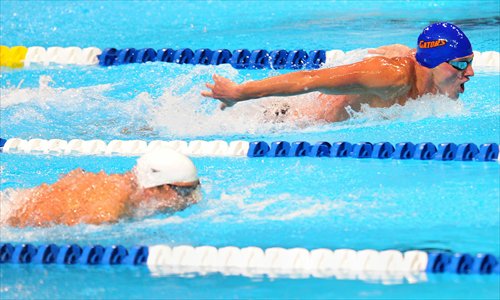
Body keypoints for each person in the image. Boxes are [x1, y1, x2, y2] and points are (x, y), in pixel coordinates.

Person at [201, 22, 474, 123]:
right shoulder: (390, 76)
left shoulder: (428, 79)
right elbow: (309, 79)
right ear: (434, 62)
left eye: (470, 62)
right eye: (461, 63)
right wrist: (238, 92)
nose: (470, 72)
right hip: (288, 121)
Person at [3, 148, 200, 227]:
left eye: (194, 189)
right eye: (184, 192)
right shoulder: (107, 210)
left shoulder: (127, 189)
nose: (191, 199)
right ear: (158, 187)